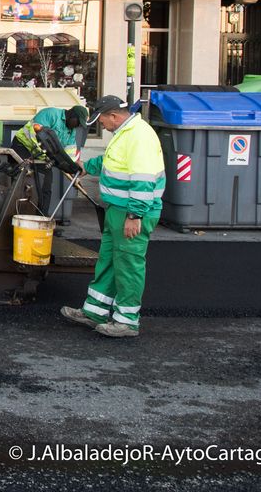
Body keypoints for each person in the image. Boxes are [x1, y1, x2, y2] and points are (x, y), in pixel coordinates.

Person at [61, 95, 166, 339]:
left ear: (114, 116)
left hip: (132, 212)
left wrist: (134, 215)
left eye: (103, 121)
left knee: (128, 265)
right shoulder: (125, 133)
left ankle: (127, 321)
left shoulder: (139, 136)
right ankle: (95, 312)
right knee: (108, 261)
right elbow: (114, 162)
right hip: (117, 210)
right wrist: (89, 166)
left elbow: (143, 178)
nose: (103, 127)